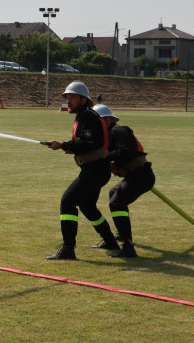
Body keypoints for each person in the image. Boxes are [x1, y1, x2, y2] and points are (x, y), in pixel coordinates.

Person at [43, 81, 119, 260]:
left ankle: (68, 248)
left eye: (72, 98)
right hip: (96, 170)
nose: (68, 101)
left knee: (67, 201)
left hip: (95, 170)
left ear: (84, 100)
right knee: (87, 206)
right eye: (67, 98)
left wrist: (63, 145)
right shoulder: (84, 116)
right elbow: (88, 144)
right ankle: (110, 240)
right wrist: (71, 148)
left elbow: (92, 142)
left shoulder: (87, 116)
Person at [91, 104, 155, 259]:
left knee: (117, 202)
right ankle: (121, 235)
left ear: (106, 120)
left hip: (142, 175)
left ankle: (128, 247)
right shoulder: (109, 135)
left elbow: (127, 151)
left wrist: (107, 158)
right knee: (114, 193)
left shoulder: (118, 131)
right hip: (135, 175)